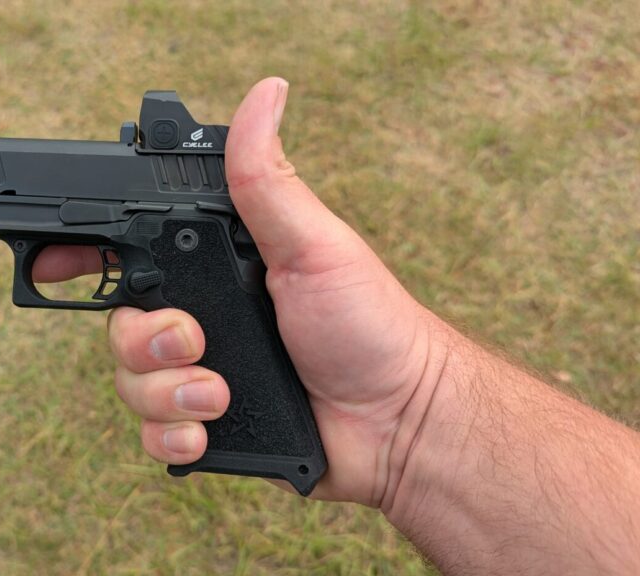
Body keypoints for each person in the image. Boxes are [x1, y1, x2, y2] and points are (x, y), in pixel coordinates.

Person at [32, 78, 640, 574]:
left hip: (181, 231)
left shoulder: (180, 211)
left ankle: (266, 440)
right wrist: (413, 417)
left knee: (202, 332)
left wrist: (413, 416)